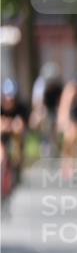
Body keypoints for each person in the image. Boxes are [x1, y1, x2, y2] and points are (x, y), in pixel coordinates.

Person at [1, 79, 30, 208]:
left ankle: (16, 168)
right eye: (7, 97)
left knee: (16, 147)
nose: (9, 101)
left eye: (11, 98)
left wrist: (13, 126)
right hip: (2, 139)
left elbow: (22, 126)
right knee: (1, 155)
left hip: (15, 139)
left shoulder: (21, 108)